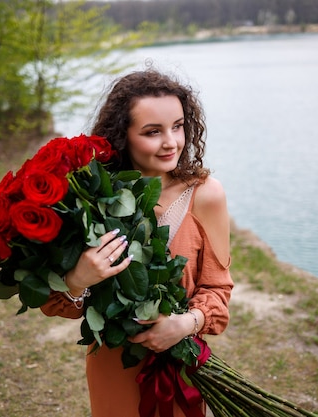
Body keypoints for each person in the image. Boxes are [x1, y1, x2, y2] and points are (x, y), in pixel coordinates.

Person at [40, 68, 234, 416]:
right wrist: (79, 279)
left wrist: (184, 324)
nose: (171, 142)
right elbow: (54, 303)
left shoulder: (206, 195)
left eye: (178, 126)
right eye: (152, 132)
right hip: (113, 364)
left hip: (180, 364)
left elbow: (218, 291)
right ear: (122, 135)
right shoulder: (88, 196)